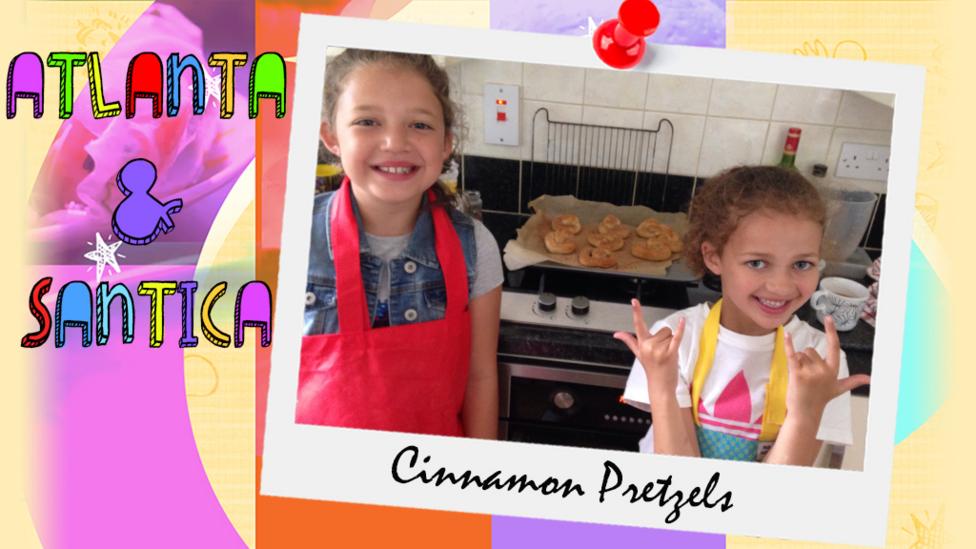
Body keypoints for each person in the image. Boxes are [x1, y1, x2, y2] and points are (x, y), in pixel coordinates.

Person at [297, 49, 501, 439]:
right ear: (332, 137)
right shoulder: (290, 236)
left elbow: (480, 379)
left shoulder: (475, 246)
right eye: (367, 121)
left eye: (420, 125)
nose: (395, 142)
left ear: (446, 145)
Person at [616, 166, 870, 465]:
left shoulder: (822, 361)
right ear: (714, 257)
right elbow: (676, 479)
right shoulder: (676, 339)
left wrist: (807, 413)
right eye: (757, 263)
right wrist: (662, 386)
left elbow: (775, 497)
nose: (781, 286)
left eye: (801, 264)